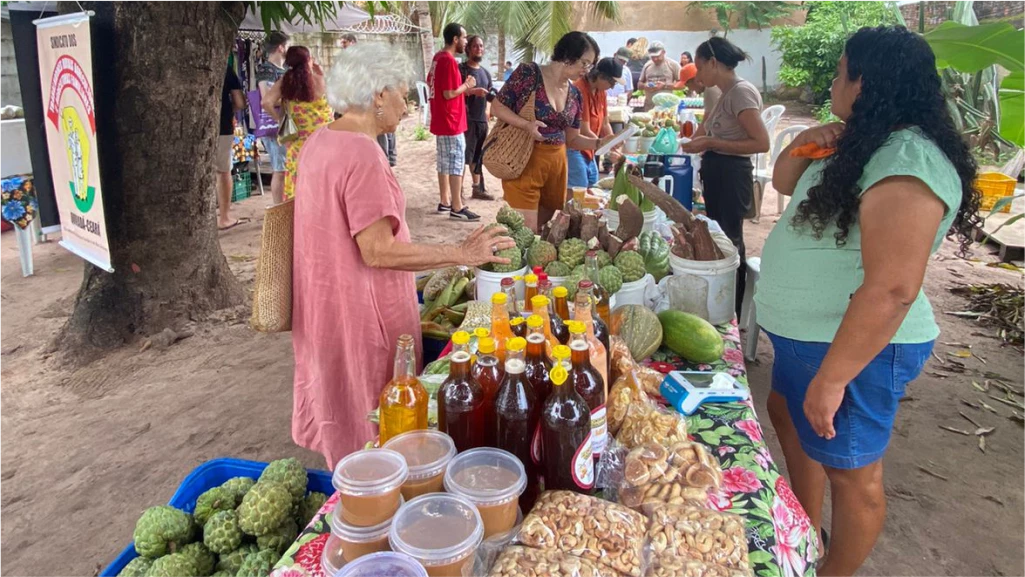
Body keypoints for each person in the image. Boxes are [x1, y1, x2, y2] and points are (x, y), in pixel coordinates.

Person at [756, 26, 979, 577]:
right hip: (810, 335)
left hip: (851, 347)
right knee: (785, 414)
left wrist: (833, 379)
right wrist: (806, 143)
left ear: (867, 82)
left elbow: (893, 288)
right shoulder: (860, 140)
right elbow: (783, 182)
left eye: (840, 72)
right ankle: (806, 533)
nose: (832, 83)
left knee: (853, 475)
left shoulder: (909, 159)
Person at [291, 43, 515, 467]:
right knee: (376, 417)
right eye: (402, 93)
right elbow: (378, 252)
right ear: (378, 93)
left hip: (324, 305)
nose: (407, 104)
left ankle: (350, 480)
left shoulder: (320, 140)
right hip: (363, 313)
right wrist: (461, 252)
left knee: (338, 400)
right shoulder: (362, 154)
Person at [681, 36, 768, 317]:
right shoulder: (726, 93)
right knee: (721, 238)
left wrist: (711, 143)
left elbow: (761, 142)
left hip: (732, 174)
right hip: (719, 172)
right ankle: (725, 302)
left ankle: (733, 309)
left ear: (713, 63)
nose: (698, 75)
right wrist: (703, 142)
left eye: (699, 67)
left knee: (730, 242)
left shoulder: (740, 93)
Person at [492, 31, 609, 232]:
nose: (587, 70)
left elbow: (572, 139)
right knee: (525, 230)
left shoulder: (575, 94)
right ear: (568, 55)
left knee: (539, 229)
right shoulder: (529, 74)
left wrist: (599, 143)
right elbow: (497, 107)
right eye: (584, 63)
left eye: (590, 65)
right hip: (524, 160)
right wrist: (526, 125)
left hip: (556, 167)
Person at [428, 22, 485, 221]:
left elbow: (438, 87)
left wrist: (467, 90)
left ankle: (445, 201)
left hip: (441, 118)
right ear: (455, 39)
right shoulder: (449, 61)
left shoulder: (438, 58)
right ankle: (457, 207)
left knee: (444, 161)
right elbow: (449, 93)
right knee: (456, 163)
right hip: (451, 120)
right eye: (463, 37)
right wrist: (467, 85)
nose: (465, 41)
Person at [262, 46, 333, 200]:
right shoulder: (320, 80)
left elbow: (266, 102)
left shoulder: (286, 81)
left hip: (297, 140)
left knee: (298, 176)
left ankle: (299, 210)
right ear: (308, 60)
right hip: (323, 138)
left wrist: (280, 120)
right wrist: (321, 73)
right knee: (322, 178)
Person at [567, 57, 623, 189]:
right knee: (579, 189)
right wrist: (606, 145)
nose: (612, 87)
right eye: (612, 82)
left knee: (594, 187)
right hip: (575, 149)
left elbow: (605, 123)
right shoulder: (579, 90)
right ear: (601, 77)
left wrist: (613, 141)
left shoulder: (601, 92)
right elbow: (584, 130)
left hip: (590, 149)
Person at [255, 31, 290, 205]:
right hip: (276, 126)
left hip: (285, 124)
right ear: (281, 47)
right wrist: (279, 120)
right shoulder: (266, 70)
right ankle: (278, 208)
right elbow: (267, 99)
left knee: (285, 168)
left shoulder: (285, 69)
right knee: (280, 169)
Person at [459, 35, 495, 201]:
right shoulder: (461, 70)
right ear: (468, 49)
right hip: (466, 120)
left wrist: (488, 110)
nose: (479, 49)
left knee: (477, 157)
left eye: (481, 46)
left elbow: (490, 95)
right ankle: (458, 191)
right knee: (463, 157)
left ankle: (478, 189)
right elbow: (453, 93)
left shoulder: (485, 73)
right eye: (475, 46)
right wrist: (472, 91)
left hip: (481, 120)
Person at [216, 63, 244, 230]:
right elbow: (240, 102)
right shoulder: (224, 68)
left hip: (190, 129)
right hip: (222, 125)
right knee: (223, 171)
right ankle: (224, 217)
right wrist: (227, 110)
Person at [638, 41, 680, 110]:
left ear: (663, 52)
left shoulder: (673, 65)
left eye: (657, 56)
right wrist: (645, 86)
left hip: (667, 107)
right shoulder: (647, 65)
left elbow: (682, 85)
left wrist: (665, 85)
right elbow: (639, 85)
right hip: (650, 106)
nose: (655, 59)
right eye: (652, 57)